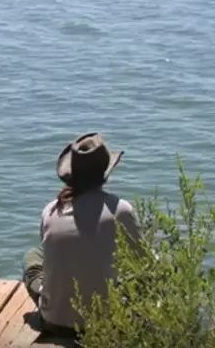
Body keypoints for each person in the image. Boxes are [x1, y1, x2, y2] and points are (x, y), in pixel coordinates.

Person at [22, 132, 144, 337]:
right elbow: (143, 262)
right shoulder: (120, 210)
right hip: (105, 324)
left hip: (55, 322)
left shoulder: (51, 210)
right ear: (105, 172)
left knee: (32, 256)